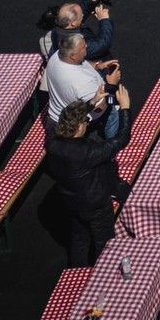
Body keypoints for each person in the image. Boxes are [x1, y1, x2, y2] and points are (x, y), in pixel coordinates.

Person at [45, 86, 133, 265]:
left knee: (79, 241)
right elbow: (121, 139)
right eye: (85, 121)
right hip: (95, 204)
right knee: (104, 243)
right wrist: (125, 108)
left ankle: (76, 274)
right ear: (79, 128)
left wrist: (92, 102)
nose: (86, 123)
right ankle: (105, 275)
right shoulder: (87, 152)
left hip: (71, 201)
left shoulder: (52, 144)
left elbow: (70, 116)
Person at [44, 33, 125, 142]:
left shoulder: (57, 56)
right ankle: (113, 144)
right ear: (72, 56)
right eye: (83, 47)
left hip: (57, 112)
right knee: (112, 112)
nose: (86, 46)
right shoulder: (81, 82)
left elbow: (81, 62)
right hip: (74, 120)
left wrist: (98, 66)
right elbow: (99, 108)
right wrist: (112, 84)